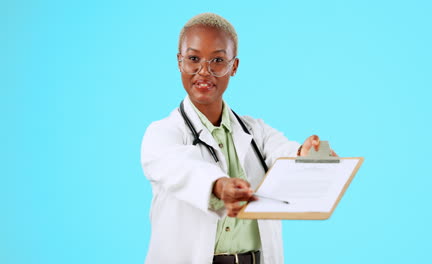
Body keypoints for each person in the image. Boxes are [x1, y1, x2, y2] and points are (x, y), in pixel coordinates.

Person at [141, 13, 336, 264]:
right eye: (193, 59)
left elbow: (285, 153)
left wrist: (307, 155)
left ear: (234, 67)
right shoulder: (162, 133)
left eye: (218, 60)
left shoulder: (256, 131)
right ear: (179, 62)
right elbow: (183, 169)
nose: (204, 71)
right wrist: (220, 186)